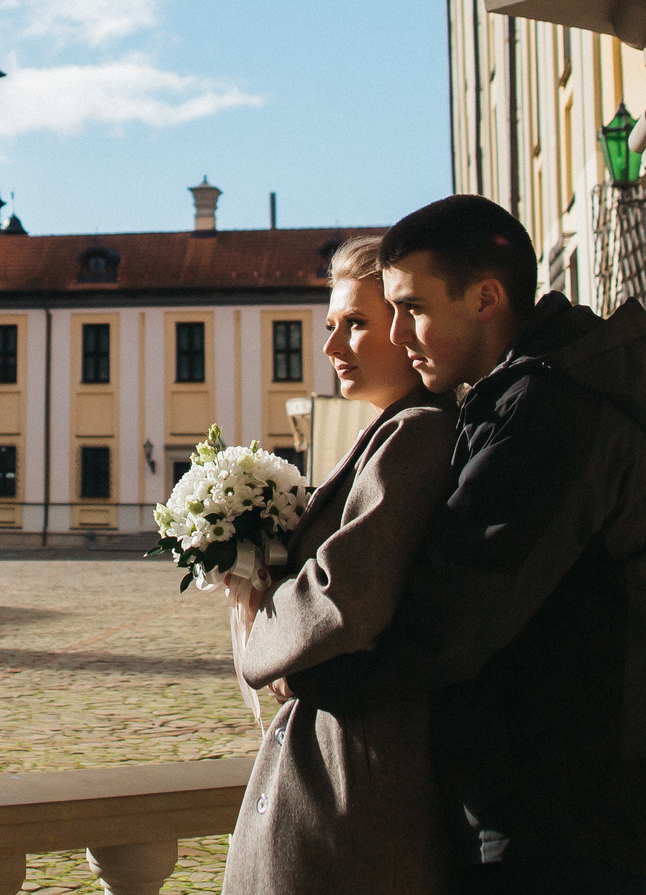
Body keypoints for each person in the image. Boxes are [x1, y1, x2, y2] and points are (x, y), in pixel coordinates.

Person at [285, 195, 646, 895]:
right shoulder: (531, 393)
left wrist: (309, 673)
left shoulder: (551, 411)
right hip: (558, 800)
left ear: (485, 298)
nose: (400, 333)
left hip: (558, 814)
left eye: (410, 307)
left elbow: (455, 615)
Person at [223, 234, 459, 895]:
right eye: (331, 326)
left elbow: (343, 597)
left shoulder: (418, 432)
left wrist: (262, 640)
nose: (331, 348)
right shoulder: (391, 430)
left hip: (358, 769)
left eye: (356, 325)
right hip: (340, 756)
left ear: (406, 325)